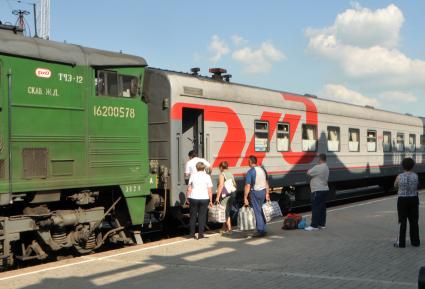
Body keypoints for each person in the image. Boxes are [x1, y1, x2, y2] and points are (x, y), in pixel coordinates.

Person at [394, 157, 420, 248]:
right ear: (412, 166)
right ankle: (415, 242)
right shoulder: (416, 176)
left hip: (402, 200)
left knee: (402, 221)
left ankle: (401, 243)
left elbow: (395, 186)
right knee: (414, 221)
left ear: (403, 166)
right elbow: (416, 186)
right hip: (413, 199)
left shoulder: (399, 176)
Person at [244, 155, 270, 237]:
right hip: (263, 192)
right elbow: (266, 182)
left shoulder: (250, 172)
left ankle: (260, 230)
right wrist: (267, 193)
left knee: (257, 211)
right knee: (261, 210)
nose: (248, 162)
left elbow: (247, 185)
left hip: (255, 193)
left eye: (248, 161)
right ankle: (264, 228)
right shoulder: (262, 170)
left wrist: (245, 197)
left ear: (251, 162)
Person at [186, 162, 213, 239]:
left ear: (197, 168)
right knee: (202, 216)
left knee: (193, 216)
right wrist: (211, 201)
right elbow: (209, 190)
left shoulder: (193, 175)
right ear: (204, 168)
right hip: (204, 198)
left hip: (193, 198)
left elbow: (189, 188)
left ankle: (192, 234)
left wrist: (187, 197)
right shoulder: (207, 176)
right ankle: (200, 234)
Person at [305, 153, 329, 231]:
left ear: (320, 159)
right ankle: (322, 224)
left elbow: (308, 172)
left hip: (317, 190)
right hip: (324, 189)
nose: (317, 160)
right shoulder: (326, 167)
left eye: (318, 158)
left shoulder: (318, 167)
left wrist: (310, 170)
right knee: (322, 208)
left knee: (316, 208)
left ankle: (314, 226)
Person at [215, 161, 236, 233]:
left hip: (225, 195)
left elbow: (221, 186)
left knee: (225, 211)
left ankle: (229, 228)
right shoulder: (230, 174)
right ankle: (224, 227)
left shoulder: (222, 174)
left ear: (221, 167)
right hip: (232, 194)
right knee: (227, 210)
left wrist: (217, 197)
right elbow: (234, 184)